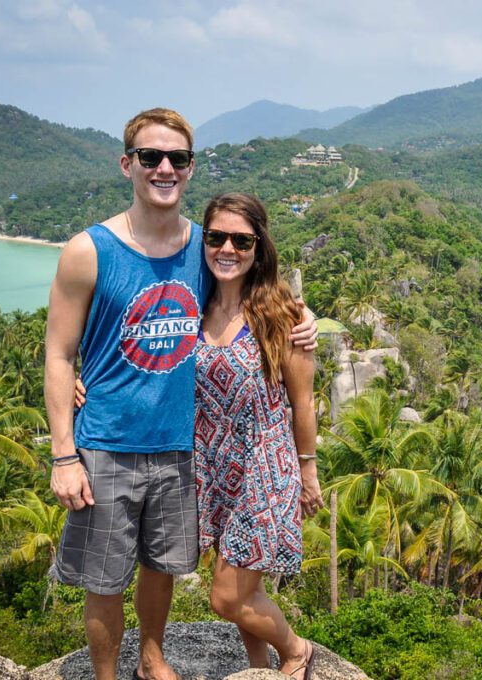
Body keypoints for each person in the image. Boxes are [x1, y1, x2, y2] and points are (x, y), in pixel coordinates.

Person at [45, 109, 316, 680]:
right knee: (104, 578)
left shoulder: (201, 246)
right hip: (107, 445)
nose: (164, 167)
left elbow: (251, 279)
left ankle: (152, 657)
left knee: (160, 569)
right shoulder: (87, 250)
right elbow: (59, 350)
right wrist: (63, 454)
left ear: (191, 168)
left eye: (178, 158)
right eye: (150, 157)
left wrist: (303, 317)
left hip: (181, 451)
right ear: (128, 165)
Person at [194, 193, 323, 680]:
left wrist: (307, 472)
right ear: (203, 240)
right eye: (216, 237)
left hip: (264, 469)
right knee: (243, 590)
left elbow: (303, 402)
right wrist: (86, 382)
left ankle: (296, 649)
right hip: (212, 467)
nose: (227, 248)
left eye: (241, 240)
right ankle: (257, 669)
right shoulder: (192, 305)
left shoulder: (282, 315)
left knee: (226, 595)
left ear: (258, 246)